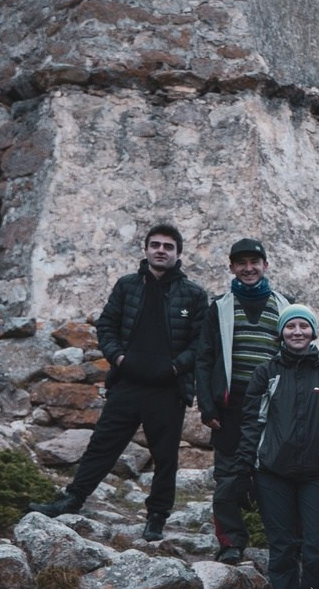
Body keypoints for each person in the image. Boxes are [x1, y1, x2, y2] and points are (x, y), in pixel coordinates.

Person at [35, 222, 210, 538]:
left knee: (165, 457)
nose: (161, 251)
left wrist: (174, 369)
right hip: (128, 382)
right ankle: (72, 499)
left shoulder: (194, 294)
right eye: (155, 245)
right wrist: (119, 359)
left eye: (168, 247)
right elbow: (107, 326)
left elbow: (201, 343)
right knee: (102, 445)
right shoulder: (127, 286)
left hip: (168, 389)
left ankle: (156, 518)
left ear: (178, 254)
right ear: (146, 249)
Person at [241, 305, 319, 589]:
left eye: (303, 326)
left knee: (317, 551)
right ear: (281, 332)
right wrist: (245, 469)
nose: (297, 332)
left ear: (313, 332)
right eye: (290, 326)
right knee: (282, 551)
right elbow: (252, 422)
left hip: (318, 474)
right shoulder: (266, 372)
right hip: (273, 472)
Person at [197, 237, 289, 565]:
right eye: (241, 263)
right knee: (227, 477)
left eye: (254, 262)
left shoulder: (285, 306)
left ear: (266, 265)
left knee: (274, 474)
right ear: (232, 267)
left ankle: (281, 541)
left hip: (273, 406)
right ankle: (231, 543)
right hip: (230, 406)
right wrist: (206, 405)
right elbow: (204, 358)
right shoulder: (219, 307)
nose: (249, 269)